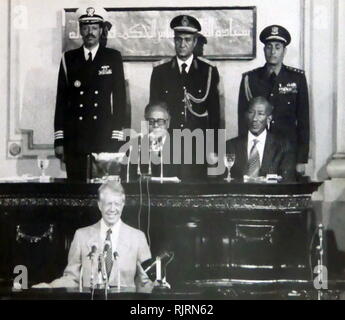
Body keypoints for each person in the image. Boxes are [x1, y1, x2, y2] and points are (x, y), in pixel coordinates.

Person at [54, 7, 129, 181]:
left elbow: (120, 100)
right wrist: (59, 139)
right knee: (76, 189)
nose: (90, 32)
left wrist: (117, 136)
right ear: (80, 29)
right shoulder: (69, 58)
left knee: (102, 189)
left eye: (94, 27)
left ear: (101, 30)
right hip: (75, 138)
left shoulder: (112, 58)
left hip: (103, 136)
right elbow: (61, 101)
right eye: (86, 28)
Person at [33, 181, 152, 290]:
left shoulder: (138, 238)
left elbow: (145, 282)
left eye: (116, 204)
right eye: (108, 204)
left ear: (123, 204)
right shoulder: (81, 236)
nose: (112, 209)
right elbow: (71, 279)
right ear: (100, 205)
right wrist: (49, 286)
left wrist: (159, 288)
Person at [238, 25, 310, 175]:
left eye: (277, 47)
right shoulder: (250, 79)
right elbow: (243, 119)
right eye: (269, 47)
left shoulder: (296, 78)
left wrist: (301, 159)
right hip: (259, 150)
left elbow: (303, 121)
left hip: (288, 151)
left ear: (284, 51)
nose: (273, 52)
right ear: (264, 50)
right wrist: (243, 153)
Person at [149, 15, 221, 157]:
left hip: (198, 145)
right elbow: (154, 113)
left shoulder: (208, 71)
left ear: (194, 43)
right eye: (178, 39)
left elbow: (214, 115)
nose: (182, 44)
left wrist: (213, 148)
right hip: (168, 144)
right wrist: (155, 146)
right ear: (174, 41)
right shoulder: (160, 71)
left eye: (187, 40)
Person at [126, 102, 205, 180]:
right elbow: (128, 179)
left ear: (168, 122)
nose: (156, 125)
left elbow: (187, 181)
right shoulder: (135, 146)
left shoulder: (183, 148)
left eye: (160, 121)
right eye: (151, 121)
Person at [228, 97, 296, 181]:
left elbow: (287, 180)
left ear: (269, 118)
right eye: (251, 112)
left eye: (260, 114)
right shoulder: (230, 146)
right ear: (246, 115)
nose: (254, 118)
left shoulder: (283, 147)